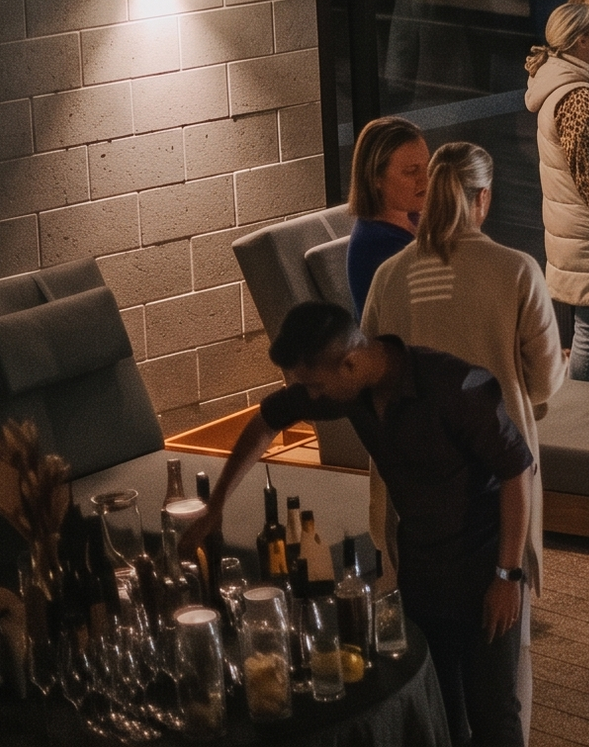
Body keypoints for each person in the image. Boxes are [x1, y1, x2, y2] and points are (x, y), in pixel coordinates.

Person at [188, 301, 534, 747]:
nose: (311, 397)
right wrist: (215, 506)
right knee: (439, 707)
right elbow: (266, 422)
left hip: (484, 567)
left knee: (493, 713)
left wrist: (507, 575)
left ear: (350, 363)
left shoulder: (456, 386)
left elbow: (516, 471)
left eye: (314, 385)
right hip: (422, 567)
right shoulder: (350, 390)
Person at [361, 140, 562, 689]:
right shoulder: (516, 271)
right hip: (498, 481)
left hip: (414, 483)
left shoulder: (389, 277)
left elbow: (370, 375)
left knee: (428, 654)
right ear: (484, 198)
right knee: (505, 654)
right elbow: (546, 380)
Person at [526, 4, 589, 383]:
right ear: (580, 40)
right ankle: (583, 411)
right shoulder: (579, 98)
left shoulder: (567, 82)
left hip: (578, 236)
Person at [345, 116, 429, 313]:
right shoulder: (380, 246)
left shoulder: (413, 217)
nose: (425, 180)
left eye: (428, 166)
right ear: (376, 177)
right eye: (411, 171)